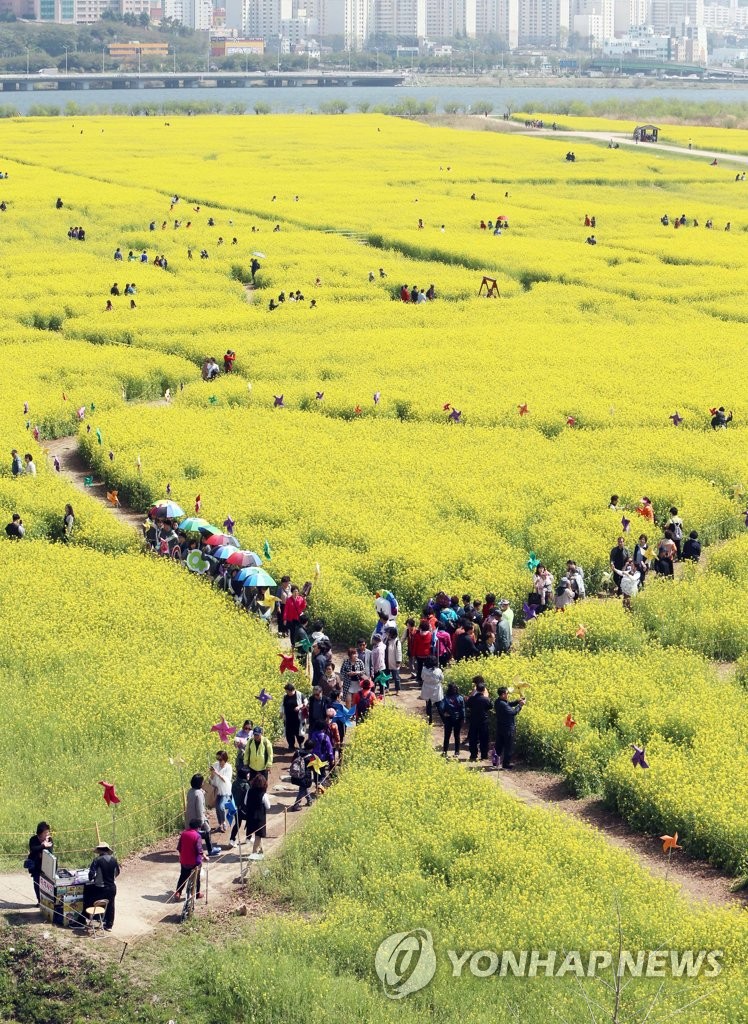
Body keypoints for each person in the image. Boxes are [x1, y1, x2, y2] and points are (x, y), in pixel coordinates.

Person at [86, 842, 120, 931]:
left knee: (88, 900)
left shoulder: (97, 860)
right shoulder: (114, 860)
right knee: (111, 905)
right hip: (112, 887)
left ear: (99, 851)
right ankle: (109, 925)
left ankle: (84, 919)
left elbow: (91, 875)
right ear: (107, 850)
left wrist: (96, 878)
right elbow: (117, 873)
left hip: (100, 888)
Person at [185, 774, 218, 856]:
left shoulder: (190, 791)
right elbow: (200, 809)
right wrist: (202, 821)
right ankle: (210, 850)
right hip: (198, 819)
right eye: (202, 781)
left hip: (190, 818)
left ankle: (195, 851)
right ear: (200, 783)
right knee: (207, 831)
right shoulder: (199, 794)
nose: (203, 783)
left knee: (193, 835)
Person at [494, 686, 525, 769]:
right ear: (503, 694)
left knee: (499, 745)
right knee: (508, 746)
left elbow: (509, 704)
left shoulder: (498, 701)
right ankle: (506, 764)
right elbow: (513, 712)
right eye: (507, 693)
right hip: (507, 729)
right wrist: (520, 706)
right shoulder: (503, 704)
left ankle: (495, 761)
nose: (508, 695)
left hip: (500, 727)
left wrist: (517, 701)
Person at [175, 820, 203, 900]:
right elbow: (199, 850)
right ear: (198, 827)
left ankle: (178, 892)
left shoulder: (183, 834)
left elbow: (179, 848)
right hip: (194, 862)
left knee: (183, 876)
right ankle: (197, 894)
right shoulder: (197, 836)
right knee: (197, 878)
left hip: (184, 861)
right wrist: (204, 856)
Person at [244, 775, 270, 855]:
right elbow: (268, 806)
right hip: (259, 818)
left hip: (250, 816)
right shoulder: (263, 794)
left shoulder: (249, 791)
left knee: (257, 835)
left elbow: (245, 802)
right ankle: (254, 853)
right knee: (258, 836)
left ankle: (262, 851)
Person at [466, 676, 491, 762]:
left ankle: (473, 755)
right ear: (484, 690)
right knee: (484, 738)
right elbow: (490, 707)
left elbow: (468, 705)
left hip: (474, 720)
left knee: (473, 738)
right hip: (484, 721)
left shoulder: (472, 699)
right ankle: (484, 755)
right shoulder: (486, 699)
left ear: (476, 688)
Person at [27, 822, 52, 905]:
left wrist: (42, 847)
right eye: (45, 832)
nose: (47, 834)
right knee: (37, 883)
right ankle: (39, 901)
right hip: (35, 865)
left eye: (48, 832)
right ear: (40, 833)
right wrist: (43, 846)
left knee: (47, 884)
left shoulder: (49, 839)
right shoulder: (33, 839)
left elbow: (50, 852)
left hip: (46, 865)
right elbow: (33, 849)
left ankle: (46, 902)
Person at [437, 683, 465, 756]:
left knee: (447, 736)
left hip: (448, 719)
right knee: (457, 736)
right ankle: (457, 752)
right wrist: (463, 718)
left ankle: (445, 752)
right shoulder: (460, 697)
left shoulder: (445, 698)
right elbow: (463, 709)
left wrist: (444, 714)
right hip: (458, 718)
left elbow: (441, 708)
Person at [209, 751, 232, 833]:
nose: (219, 761)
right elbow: (211, 779)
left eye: (221, 759)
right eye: (218, 759)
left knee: (220, 806)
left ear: (225, 759)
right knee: (217, 808)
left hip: (225, 791)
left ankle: (223, 823)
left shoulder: (228, 767)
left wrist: (217, 773)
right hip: (216, 790)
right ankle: (220, 824)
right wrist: (212, 773)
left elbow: (226, 780)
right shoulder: (215, 765)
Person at [289, 740, 315, 810]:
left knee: (303, 787)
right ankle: (296, 805)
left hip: (296, 774)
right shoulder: (311, 756)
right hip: (305, 776)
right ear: (311, 748)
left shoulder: (297, 752)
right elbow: (313, 767)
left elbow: (292, 761)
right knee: (302, 789)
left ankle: (309, 800)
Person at [228, 768, 250, 848]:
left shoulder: (234, 783)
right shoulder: (246, 785)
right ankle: (248, 838)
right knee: (250, 822)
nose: (249, 775)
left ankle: (232, 839)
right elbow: (248, 798)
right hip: (244, 808)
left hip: (235, 807)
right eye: (247, 773)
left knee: (237, 824)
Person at [419, 656, 443, 724]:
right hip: (436, 689)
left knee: (428, 705)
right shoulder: (438, 670)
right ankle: (443, 719)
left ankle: (429, 721)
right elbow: (442, 678)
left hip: (427, 688)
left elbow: (422, 677)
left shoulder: (424, 669)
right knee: (439, 705)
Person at [282, 681, 305, 751]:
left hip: (298, 717)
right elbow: (282, 705)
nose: (287, 693)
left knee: (299, 732)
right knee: (289, 732)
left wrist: (299, 706)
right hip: (288, 717)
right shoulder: (285, 696)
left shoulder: (299, 695)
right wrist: (281, 713)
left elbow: (306, 702)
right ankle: (291, 745)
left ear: (292, 690)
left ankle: (300, 744)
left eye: (288, 691)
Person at [384, 626, 402, 693]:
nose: (387, 634)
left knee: (396, 677)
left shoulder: (397, 642)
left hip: (394, 662)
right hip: (386, 662)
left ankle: (397, 690)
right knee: (386, 676)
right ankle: (386, 688)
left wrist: (398, 661)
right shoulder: (385, 640)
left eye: (388, 633)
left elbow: (399, 652)